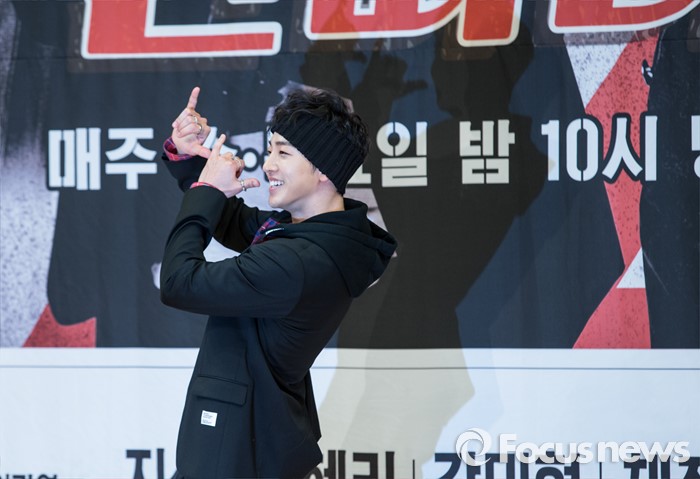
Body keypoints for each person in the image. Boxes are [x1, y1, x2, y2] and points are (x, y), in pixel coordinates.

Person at [159, 86, 397, 478]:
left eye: (283, 153)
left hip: (237, 453)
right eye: (270, 150)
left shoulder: (297, 262)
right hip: (252, 442)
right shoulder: (319, 239)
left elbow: (178, 282)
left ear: (324, 169)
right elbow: (235, 222)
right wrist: (191, 159)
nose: (268, 164)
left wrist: (208, 190)